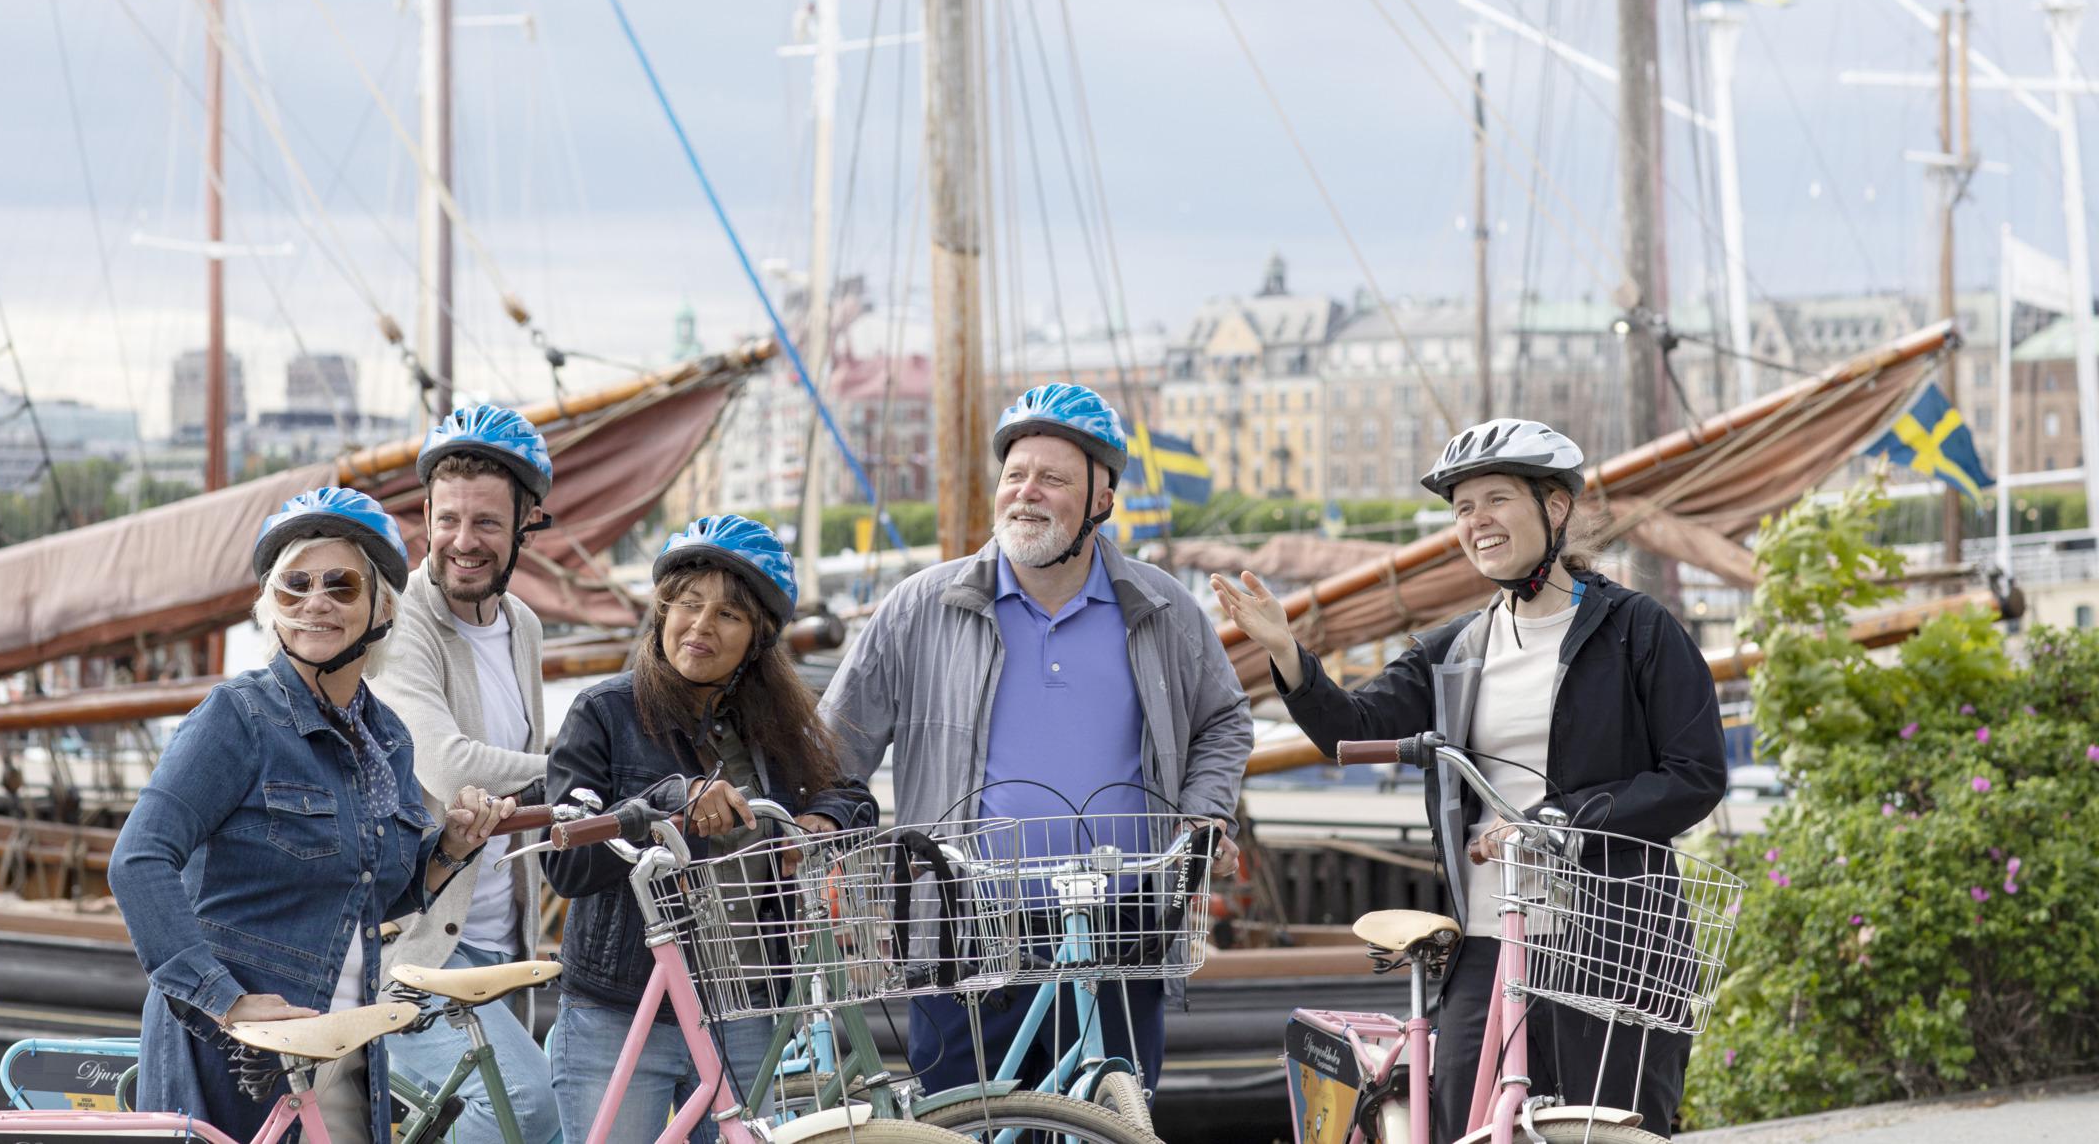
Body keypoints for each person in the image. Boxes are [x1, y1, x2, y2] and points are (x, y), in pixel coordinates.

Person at [1213, 417, 1726, 1141]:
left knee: (1612, 1126)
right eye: (1461, 507)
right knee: (1461, 1120)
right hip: (1488, 941)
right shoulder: (1456, 647)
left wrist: (1561, 819)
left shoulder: (1638, 630)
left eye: (1495, 499)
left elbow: (1695, 774)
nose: (1476, 521)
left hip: (1610, 942)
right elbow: (1352, 727)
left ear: (1554, 507)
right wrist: (1288, 654)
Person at [819, 382, 1255, 1100]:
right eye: (1015, 475)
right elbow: (833, 750)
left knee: (1108, 1122)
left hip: (1122, 929)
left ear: (1101, 499)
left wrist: (1205, 811)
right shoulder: (919, 608)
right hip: (965, 929)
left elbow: (1223, 719)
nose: (1026, 492)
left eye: (1052, 478)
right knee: (964, 1123)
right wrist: (828, 830)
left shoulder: (1162, 608)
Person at [111, 485, 518, 1144]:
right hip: (240, 1055)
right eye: (293, 585)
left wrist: (450, 848)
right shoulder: (237, 718)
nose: (316, 602)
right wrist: (227, 1000)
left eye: (340, 584)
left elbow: (376, 892)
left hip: (349, 1040)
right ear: (270, 605)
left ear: (381, 605)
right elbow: (138, 860)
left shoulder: (386, 737)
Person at [543, 514, 877, 1144]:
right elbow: (565, 862)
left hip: (744, 1006)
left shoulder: (772, 722)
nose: (700, 626)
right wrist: (671, 804)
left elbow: (850, 791)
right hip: (622, 1010)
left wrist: (821, 817)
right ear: (662, 612)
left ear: (757, 638)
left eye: (728, 615)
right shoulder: (603, 713)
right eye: (688, 605)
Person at [367, 405, 560, 1143]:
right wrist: (582, 767)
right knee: (527, 1108)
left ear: (524, 523)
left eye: (486, 521)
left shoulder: (525, 626)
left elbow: (528, 787)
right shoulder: (400, 619)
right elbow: (446, 764)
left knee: (512, 1116)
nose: (463, 541)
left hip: (505, 941)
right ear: (423, 514)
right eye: (447, 519)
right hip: (419, 944)